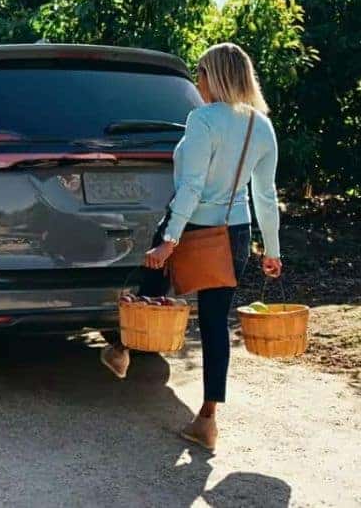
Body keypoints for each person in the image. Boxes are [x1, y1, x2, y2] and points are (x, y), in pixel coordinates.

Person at [99, 43, 282, 451]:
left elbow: (192, 187)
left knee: (151, 291)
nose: (197, 82)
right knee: (215, 323)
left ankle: (121, 350)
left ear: (213, 76)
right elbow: (265, 195)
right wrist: (272, 250)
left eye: (200, 73)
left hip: (191, 226)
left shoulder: (202, 119)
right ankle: (207, 419)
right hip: (234, 233)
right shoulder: (261, 126)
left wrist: (169, 240)